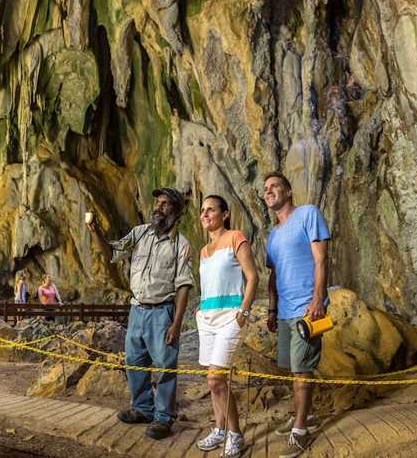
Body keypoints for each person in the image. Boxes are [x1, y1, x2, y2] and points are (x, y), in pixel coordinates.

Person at [87, 187, 193, 440]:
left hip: (162, 311)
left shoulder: (181, 244)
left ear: (175, 212)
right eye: (157, 202)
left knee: (165, 366)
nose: (158, 207)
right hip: (137, 309)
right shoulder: (140, 233)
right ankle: (143, 408)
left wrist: (176, 324)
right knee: (134, 362)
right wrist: (95, 230)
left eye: (165, 204)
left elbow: (184, 286)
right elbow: (113, 253)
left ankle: (164, 418)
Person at [263, 172, 330, 458]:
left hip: (306, 307)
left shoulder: (308, 214)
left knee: (302, 370)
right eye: (265, 189)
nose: (269, 191)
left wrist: (317, 300)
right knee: (293, 369)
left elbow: (321, 258)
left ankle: (301, 430)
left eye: (275, 186)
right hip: (285, 311)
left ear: (289, 191)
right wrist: (272, 308)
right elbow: (273, 274)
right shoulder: (273, 234)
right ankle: (304, 415)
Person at [195, 195, 258, 456]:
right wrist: (200, 307)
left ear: (225, 213)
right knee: (212, 382)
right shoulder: (203, 250)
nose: (205, 214)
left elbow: (253, 277)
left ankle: (235, 433)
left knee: (216, 378)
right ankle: (219, 429)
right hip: (206, 317)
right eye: (202, 211)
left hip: (229, 316)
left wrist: (243, 311)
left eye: (211, 209)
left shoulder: (235, 237)